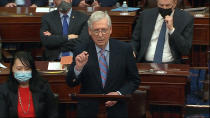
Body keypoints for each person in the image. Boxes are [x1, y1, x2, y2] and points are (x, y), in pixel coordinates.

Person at [66, 11, 140, 118]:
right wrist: (78, 68)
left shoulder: (125, 49)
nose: (100, 35)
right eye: (96, 31)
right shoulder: (81, 50)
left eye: (104, 30)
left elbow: (134, 80)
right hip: (89, 111)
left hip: (116, 110)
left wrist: (119, 94)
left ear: (110, 30)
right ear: (89, 31)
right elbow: (71, 83)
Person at [0, 51, 58, 118]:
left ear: (32, 70)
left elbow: (53, 113)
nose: (23, 72)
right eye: (19, 69)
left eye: (27, 68)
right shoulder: (4, 89)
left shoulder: (43, 86)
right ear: (12, 69)